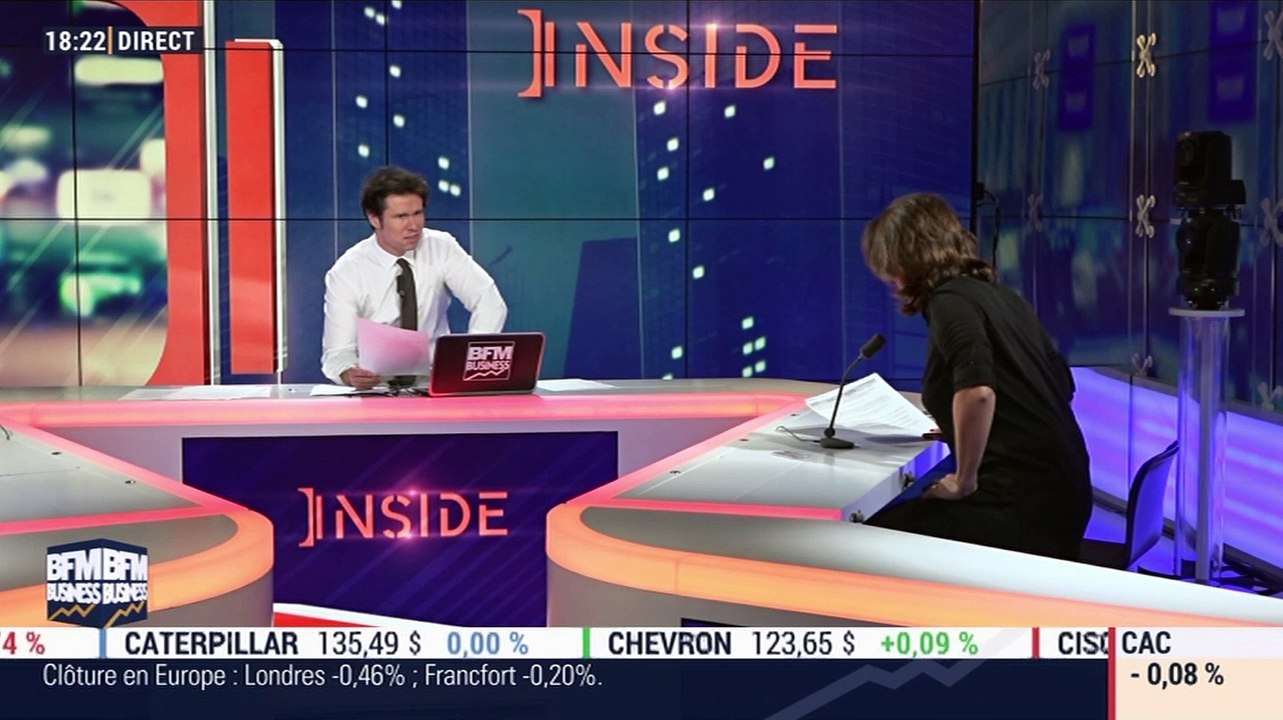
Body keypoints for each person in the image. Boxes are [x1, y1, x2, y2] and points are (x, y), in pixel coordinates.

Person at [860, 193, 1092, 561]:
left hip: (1020, 508)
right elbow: (1061, 385)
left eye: (892, 270)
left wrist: (962, 482)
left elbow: (978, 391)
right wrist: (964, 428)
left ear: (907, 260)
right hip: (1067, 497)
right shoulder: (1001, 295)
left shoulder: (948, 301)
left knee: (866, 544)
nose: (894, 282)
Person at [322, 166, 507, 389]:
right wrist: (349, 373)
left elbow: (489, 303)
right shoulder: (347, 272)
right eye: (401, 217)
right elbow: (337, 353)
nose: (413, 226)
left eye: (418, 213)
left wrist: (471, 360)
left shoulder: (441, 247)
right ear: (374, 219)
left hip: (435, 385)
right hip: (377, 388)